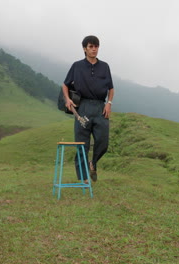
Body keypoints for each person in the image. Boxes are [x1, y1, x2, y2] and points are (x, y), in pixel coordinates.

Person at [62, 35, 115, 184]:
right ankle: (84, 178)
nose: (94, 49)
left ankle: (93, 163)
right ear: (85, 49)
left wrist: (109, 103)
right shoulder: (77, 66)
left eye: (96, 46)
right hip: (83, 106)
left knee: (103, 141)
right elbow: (65, 84)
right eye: (91, 46)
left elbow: (111, 88)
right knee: (81, 143)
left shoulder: (105, 66)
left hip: (100, 107)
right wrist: (68, 99)